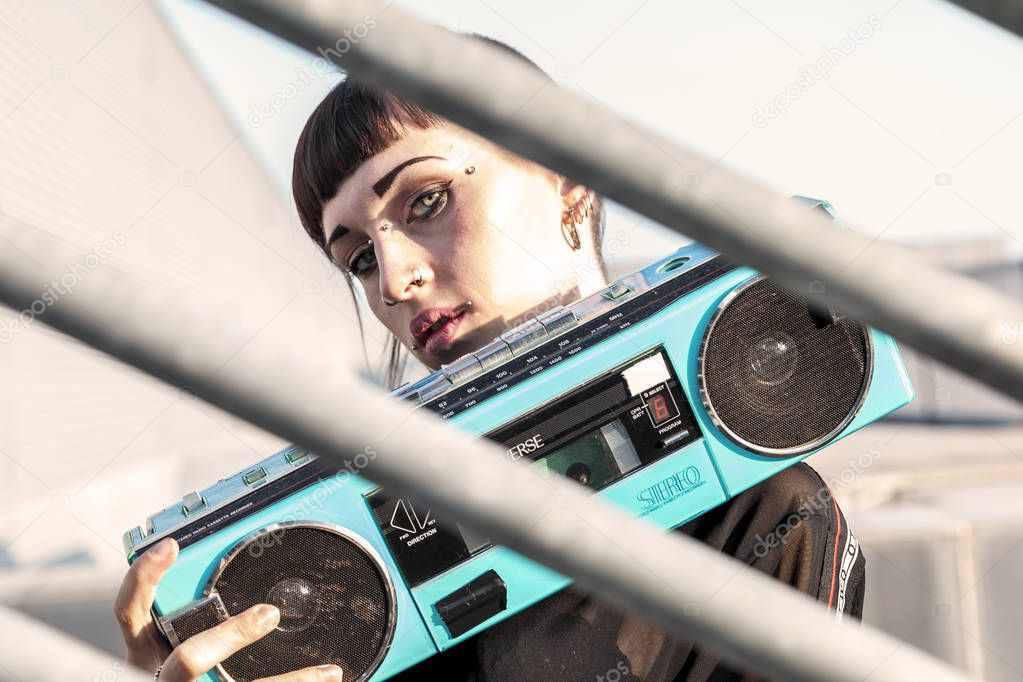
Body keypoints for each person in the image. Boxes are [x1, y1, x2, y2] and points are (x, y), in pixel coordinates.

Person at [114, 35, 865, 682]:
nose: (396, 277)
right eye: (358, 260)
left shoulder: (763, 514)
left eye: (427, 201)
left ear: (568, 176)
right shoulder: (340, 592)